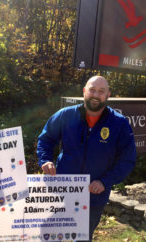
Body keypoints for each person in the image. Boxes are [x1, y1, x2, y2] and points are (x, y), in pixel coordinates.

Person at [37, 75, 136, 241]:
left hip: (94, 196)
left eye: (101, 91)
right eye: (92, 90)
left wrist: (105, 181)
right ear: (84, 91)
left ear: (108, 95)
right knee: (52, 235)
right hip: (63, 190)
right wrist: (45, 160)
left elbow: (128, 159)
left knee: (82, 237)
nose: (96, 95)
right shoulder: (65, 115)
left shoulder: (119, 123)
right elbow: (45, 139)